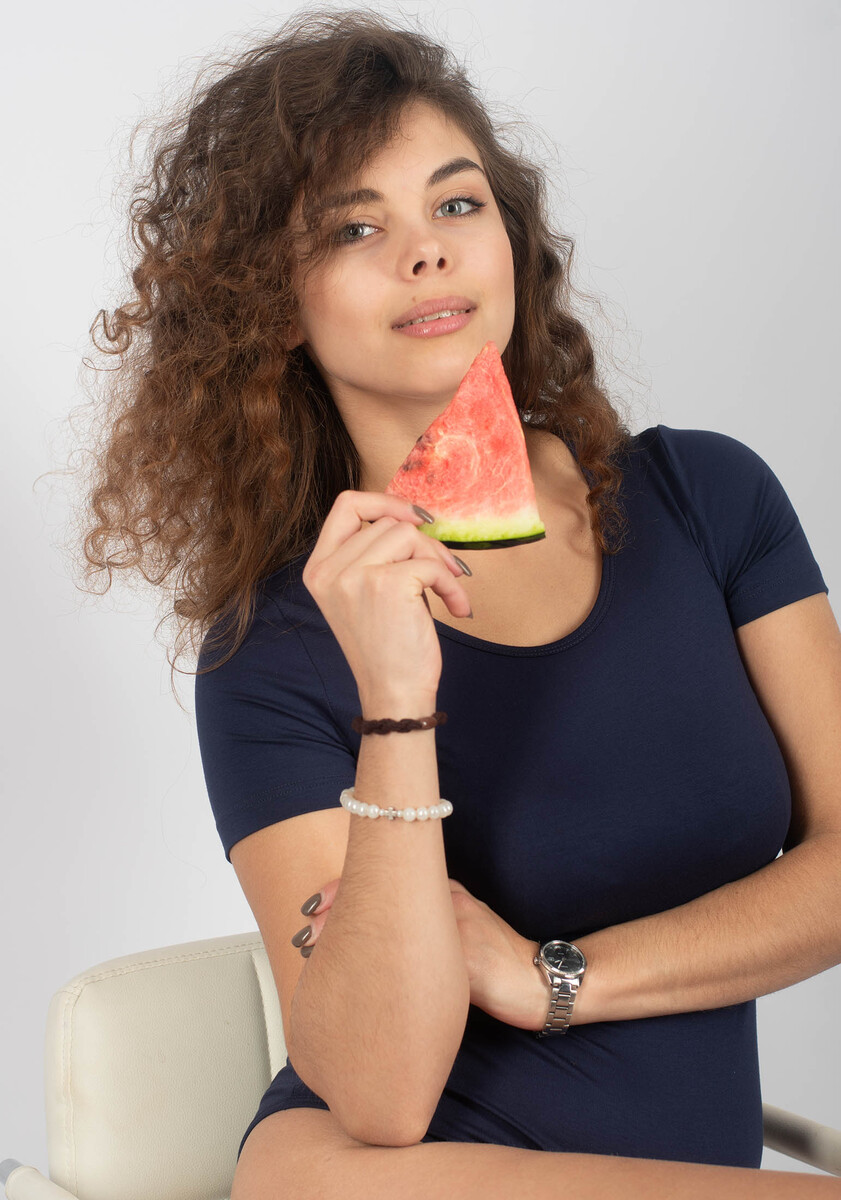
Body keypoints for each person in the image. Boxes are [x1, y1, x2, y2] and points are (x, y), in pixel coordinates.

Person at [74, 8, 841, 1198]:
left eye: (457, 203)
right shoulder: (271, 649)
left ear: (510, 242)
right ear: (274, 305)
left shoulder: (706, 499)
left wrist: (555, 979)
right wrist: (394, 700)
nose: (425, 252)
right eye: (355, 226)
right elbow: (379, 1096)